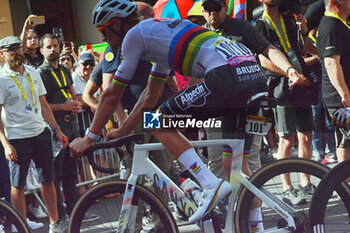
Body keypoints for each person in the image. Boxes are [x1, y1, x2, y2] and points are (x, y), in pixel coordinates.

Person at [70, 0, 309, 223]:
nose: (103, 37)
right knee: (235, 169)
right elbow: (150, 95)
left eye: (104, 31)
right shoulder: (160, 34)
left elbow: (112, 93)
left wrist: (89, 137)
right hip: (251, 76)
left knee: (157, 122)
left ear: (118, 25)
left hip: (226, 76)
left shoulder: (134, 35)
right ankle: (254, 227)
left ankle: (208, 184)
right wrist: (123, 129)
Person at [0, 36, 67, 233]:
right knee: (18, 185)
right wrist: (5, 144)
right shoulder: (1, 79)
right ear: (2, 54)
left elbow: (44, 105)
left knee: (47, 180)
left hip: (40, 133)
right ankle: (22, 227)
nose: (15, 52)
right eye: (10, 49)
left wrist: (56, 129)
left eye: (18, 48)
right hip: (17, 137)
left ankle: (55, 223)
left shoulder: (33, 72)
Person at [255, 0, 316, 206]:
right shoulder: (259, 25)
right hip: (281, 87)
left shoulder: (289, 19)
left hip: (301, 84)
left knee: (306, 136)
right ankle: (287, 187)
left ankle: (306, 183)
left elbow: (300, 48)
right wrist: (290, 75)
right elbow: (264, 61)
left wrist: (304, 31)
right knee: (286, 139)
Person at [38, 34, 98, 223]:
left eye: (55, 46)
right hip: (55, 127)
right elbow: (43, 104)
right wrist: (63, 107)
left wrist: (76, 105)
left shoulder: (64, 69)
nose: (53, 50)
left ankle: (75, 211)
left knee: (71, 171)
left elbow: (72, 95)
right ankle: (60, 215)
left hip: (72, 124)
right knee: (56, 174)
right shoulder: (41, 73)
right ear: (42, 50)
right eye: (48, 47)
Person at [317, 0, 350, 164]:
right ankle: (346, 185)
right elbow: (331, 63)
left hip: (345, 95)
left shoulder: (341, 24)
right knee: (346, 141)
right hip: (340, 98)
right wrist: (345, 95)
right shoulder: (330, 26)